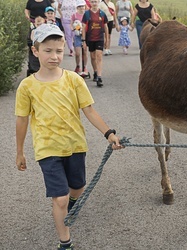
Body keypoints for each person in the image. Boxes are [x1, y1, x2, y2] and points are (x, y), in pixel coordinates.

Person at [15, 23, 124, 250]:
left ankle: (73, 202)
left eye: (59, 50)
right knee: (60, 198)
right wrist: (20, 152)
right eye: (48, 51)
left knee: (77, 187)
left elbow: (89, 110)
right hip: (47, 149)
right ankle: (65, 243)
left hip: (75, 145)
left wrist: (108, 133)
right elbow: (22, 120)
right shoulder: (27, 87)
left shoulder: (74, 80)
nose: (54, 56)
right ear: (35, 51)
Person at [82, 0, 109, 87]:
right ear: (90, 3)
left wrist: (107, 39)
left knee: (99, 56)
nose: (94, 3)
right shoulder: (87, 14)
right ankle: (95, 71)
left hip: (99, 38)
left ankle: (99, 77)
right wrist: (84, 41)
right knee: (93, 56)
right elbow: (84, 27)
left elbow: (105, 26)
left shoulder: (102, 13)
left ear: (98, 2)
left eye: (96, 2)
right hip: (90, 38)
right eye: (92, 2)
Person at [71, 0, 89, 76]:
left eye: (82, 6)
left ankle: (85, 67)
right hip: (77, 36)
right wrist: (73, 29)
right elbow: (71, 24)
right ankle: (78, 66)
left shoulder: (87, 15)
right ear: (77, 7)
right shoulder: (74, 15)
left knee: (85, 51)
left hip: (85, 35)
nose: (81, 8)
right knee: (78, 53)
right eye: (80, 7)